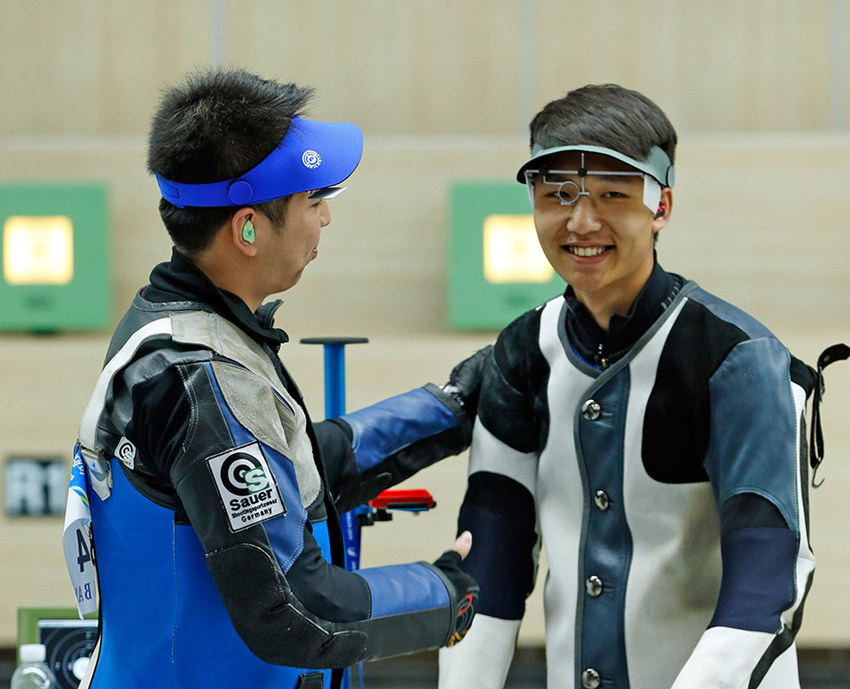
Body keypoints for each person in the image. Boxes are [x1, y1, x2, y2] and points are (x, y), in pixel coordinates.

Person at [68, 67, 483, 689]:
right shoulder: (202, 378)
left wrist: (453, 407)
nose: (325, 220)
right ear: (247, 228)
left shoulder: (180, 326)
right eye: (314, 201)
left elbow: (287, 471)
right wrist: (446, 594)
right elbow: (297, 610)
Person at [438, 84, 820, 689]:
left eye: (613, 194)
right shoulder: (519, 354)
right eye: (557, 194)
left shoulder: (738, 358)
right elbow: (490, 566)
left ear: (661, 207)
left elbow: (769, 579)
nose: (581, 220)